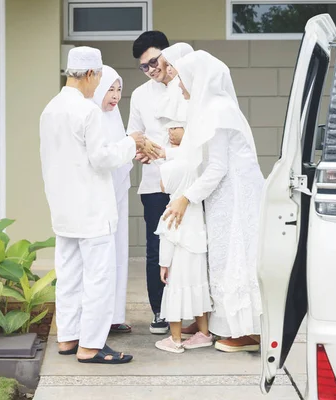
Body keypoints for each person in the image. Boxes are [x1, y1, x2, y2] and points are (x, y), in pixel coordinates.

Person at [39, 46, 145, 364]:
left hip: (63, 209)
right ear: (89, 74)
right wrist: (132, 143)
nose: (99, 85)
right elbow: (102, 159)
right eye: (99, 78)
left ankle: (69, 338)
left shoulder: (50, 109)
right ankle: (91, 346)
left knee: (69, 275)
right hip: (91, 210)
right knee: (99, 277)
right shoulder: (87, 111)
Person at [165, 50, 265, 353]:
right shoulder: (213, 108)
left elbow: (218, 166)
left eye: (182, 79)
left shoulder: (219, 111)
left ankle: (250, 332)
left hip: (237, 195)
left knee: (238, 259)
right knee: (226, 257)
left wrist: (185, 197)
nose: (180, 86)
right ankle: (236, 327)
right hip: (226, 194)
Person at [127, 31, 180, 335]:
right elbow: (133, 134)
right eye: (143, 66)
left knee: (192, 245)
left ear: (167, 54)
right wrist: (140, 147)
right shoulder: (140, 95)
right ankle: (160, 311)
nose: (150, 69)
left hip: (187, 181)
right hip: (154, 183)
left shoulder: (188, 85)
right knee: (156, 248)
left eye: (153, 61)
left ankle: (196, 311)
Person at [154, 138, 213, 354]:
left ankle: (176, 339)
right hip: (197, 259)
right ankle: (204, 334)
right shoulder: (196, 205)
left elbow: (167, 240)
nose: (160, 183)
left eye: (162, 179)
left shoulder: (172, 209)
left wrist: (163, 265)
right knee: (198, 293)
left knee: (175, 296)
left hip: (178, 263)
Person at [91, 65, 133, 334]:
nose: (115, 96)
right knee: (100, 260)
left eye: (118, 90)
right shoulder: (91, 117)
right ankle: (97, 321)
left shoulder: (114, 116)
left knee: (119, 254)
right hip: (98, 199)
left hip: (118, 196)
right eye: (110, 89)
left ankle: (115, 315)